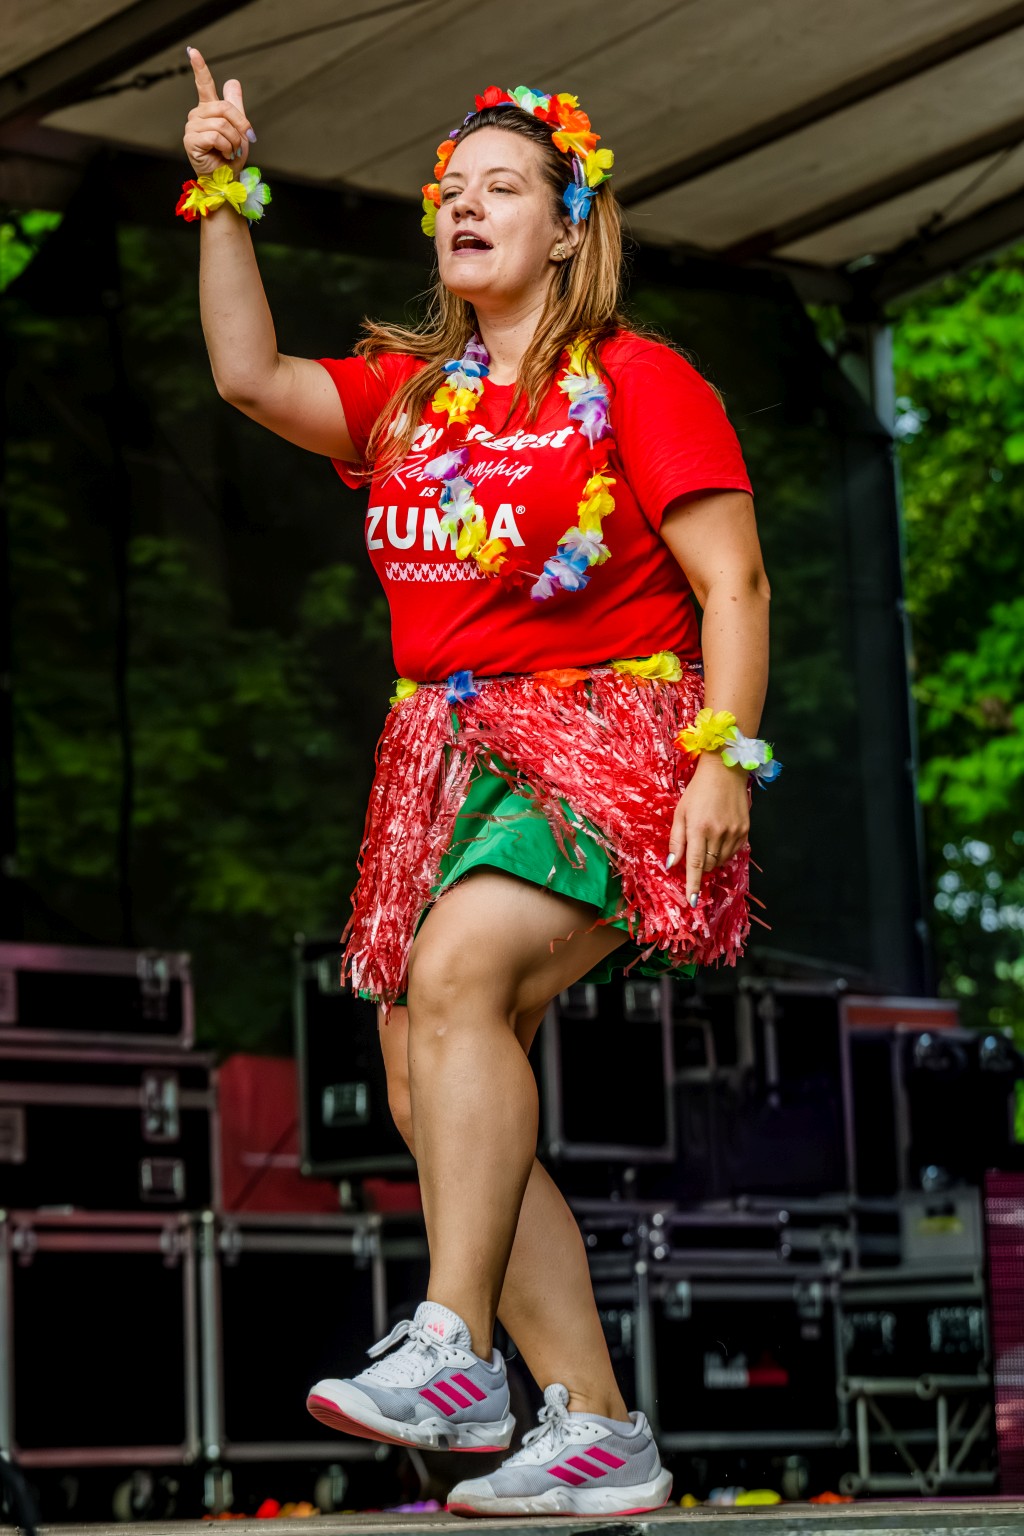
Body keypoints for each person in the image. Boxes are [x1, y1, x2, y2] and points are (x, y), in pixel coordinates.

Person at [181, 51, 774, 1519]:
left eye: (502, 188)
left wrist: (725, 759)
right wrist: (222, 193)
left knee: (455, 978)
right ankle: (599, 1427)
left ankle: (452, 1347)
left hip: (613, 741)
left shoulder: (640, 380)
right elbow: (249, 376)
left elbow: (736, 582)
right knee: (423, 1075)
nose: (465, 206)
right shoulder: (412, 401)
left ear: (568, 228)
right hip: (444, 764)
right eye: (451, 190)